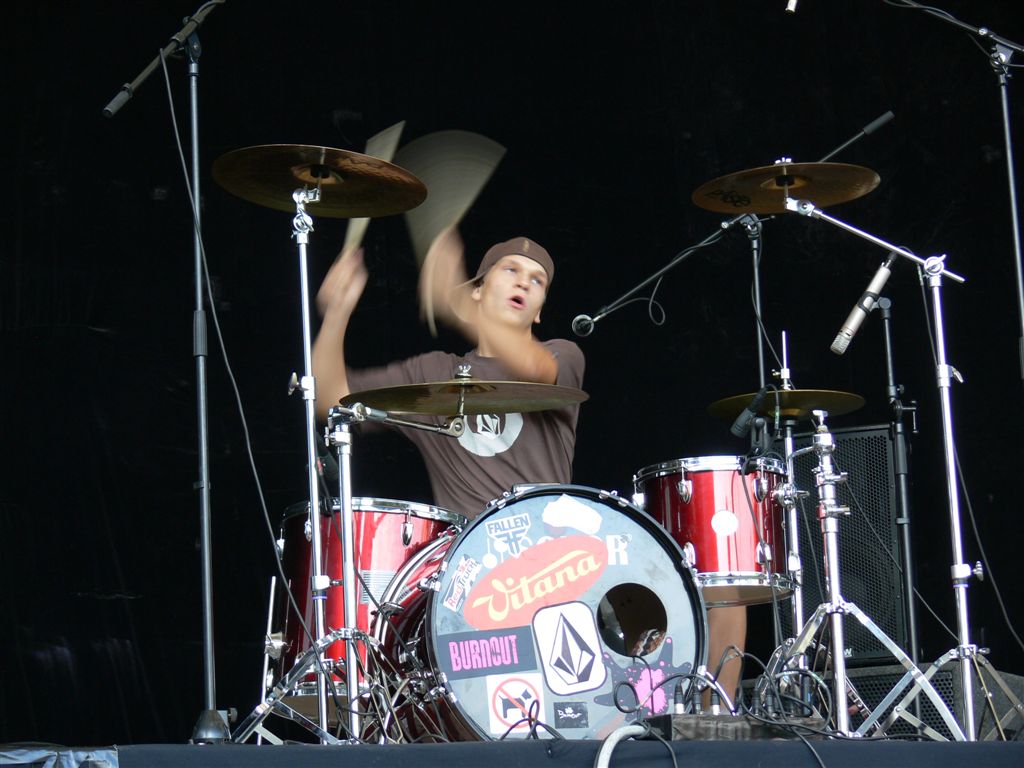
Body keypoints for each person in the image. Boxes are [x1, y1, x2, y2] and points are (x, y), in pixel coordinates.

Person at [311, 229, 585, 520]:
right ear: (478, 290)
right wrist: (336, 315)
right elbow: (329, 399)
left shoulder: (563, 354)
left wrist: (457, 304)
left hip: (552, 541)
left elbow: (534, 367)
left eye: (537, 280)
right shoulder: (434, 374)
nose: (524, 283)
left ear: (539, 311)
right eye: (510, 270)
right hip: (469, 546)